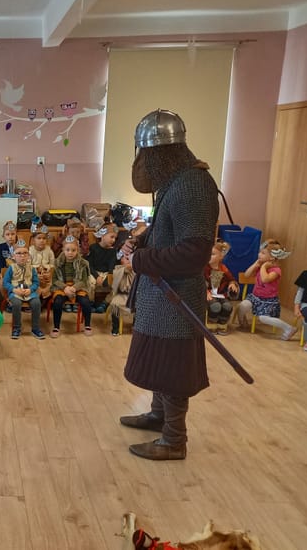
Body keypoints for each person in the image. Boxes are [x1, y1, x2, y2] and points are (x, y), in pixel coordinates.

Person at [118, 109, 219, 461]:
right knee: (161, 361)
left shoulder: (193, 185)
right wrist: (141, 241)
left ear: (160, 153)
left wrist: (139, 261)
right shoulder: (175, 182)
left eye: (147, 153)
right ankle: (159, 415)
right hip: (162, 293)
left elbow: (194, 252)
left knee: (173, 368)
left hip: (178, 295)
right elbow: (167, 230)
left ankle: (174, 440)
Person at [235, 239, 296, 340]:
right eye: (260, 252)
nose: (259, 254)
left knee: (263, 318)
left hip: (269, 301)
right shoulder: (259, 266)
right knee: (242, 306)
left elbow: (265, 279)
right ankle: (243, 323)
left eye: (263, 253)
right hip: (255, 297)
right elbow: (246, 274)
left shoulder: (276, 270)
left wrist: (263, 267)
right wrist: (255, 265)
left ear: (272, 257)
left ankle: (289, 328)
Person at [50, 236, 94, 337]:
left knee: (86, 302)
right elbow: (55, 280)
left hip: (77, 287)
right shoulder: (57, 262)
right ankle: (56, 327)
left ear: (77, 250)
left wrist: (74, 288)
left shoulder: (83, 263)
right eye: (67, 250)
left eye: (73, 250)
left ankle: (87, 325)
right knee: (57, 302)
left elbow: (84, 280)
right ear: (63, 250)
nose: (70, 253)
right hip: (62, 287)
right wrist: (65, 288)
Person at [2, 239, 45, 340]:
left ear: (28, 256)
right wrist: (13, 289)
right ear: (13, 256)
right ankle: (16, 328)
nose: (22, 256)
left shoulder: (32, 268)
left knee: (36, 303)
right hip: (15, 292)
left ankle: (35, 328)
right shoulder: (11, 268)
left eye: (25, 253)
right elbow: (5, 283)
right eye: (19, 253)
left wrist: (31, 290)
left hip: (29, 292)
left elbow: (36, 283)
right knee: (16, 304)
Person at [204, 239, 240, 335]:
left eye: (212, 254)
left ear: (221, 256)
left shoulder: (224, 269)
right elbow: (199, 282)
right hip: (208, 295)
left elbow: (231, 279)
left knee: (227, 306)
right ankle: (211, 325)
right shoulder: (204, 268)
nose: (209, 256)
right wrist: (205, 291)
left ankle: (222, 324)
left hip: (220, 295)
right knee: (215, 306)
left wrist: (232, 284)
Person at [87, 224, 119, 313]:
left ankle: (105, 303)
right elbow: (89, 265)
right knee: (89, 282)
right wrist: (97, 276)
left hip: (106, 273)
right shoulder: (93, 248)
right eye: (111, 237)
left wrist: (107, 279)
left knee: (117, 284)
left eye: (115, 238)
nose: (113, 240)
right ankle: (90, 303)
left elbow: (112, 267)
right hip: (94, 272)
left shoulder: (113, 251)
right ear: (103, 235)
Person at [109, 254, 135, 337]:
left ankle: (135, 326)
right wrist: (127, 268)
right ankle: (115, 328)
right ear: (121, 260)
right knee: (114, 304)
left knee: (140, 304)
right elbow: (126, 269)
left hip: (133, 295)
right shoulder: (118, 269)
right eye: (126, 258)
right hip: (121, 294)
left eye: (130, 259)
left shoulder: (136, 270)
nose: (129, 260)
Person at [29, 223, 55, 300]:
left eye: (44, 238)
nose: (42, 240)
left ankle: (46, 299)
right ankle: (36, 300)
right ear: (33, 240)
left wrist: (49, 272)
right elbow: (28, 266)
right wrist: (35, 274)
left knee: (51, 284)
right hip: (34, 275)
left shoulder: (49, 251)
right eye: (39, 238)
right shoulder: (30, 251)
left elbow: (52, 265)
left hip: (47, 275)